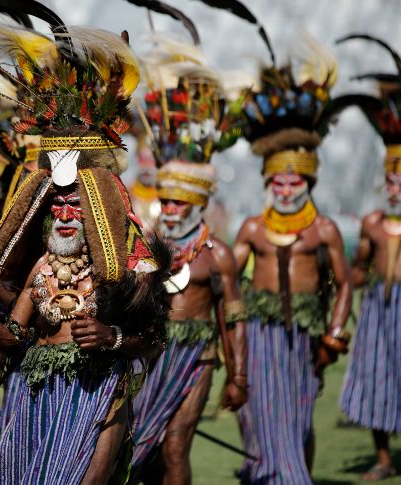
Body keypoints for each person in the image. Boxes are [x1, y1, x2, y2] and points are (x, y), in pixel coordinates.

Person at [0, 23, 171, 483]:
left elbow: (154, 339)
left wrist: (111, 339)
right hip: (34, 395)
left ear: (98, 203)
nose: (67, 214)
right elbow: (15, 338)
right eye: (58, 205)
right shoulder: (42, 269)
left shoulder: (128, 266)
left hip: (98, 394)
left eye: (77, 204)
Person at [230, 33, 353, 484]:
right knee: (257, 409)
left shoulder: (323, 230)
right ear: (268, 183)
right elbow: (229, 278)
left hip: (306, 333)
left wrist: (335, 334)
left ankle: (298, 473)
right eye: (277, 184)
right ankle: (267, 472)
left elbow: (345, 285)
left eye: (292, 183)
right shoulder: (252, 228)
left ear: (308, 184)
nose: (284, 190)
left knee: (300, 415)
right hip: (260, 332)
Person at [128, 35, 248, 483]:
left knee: (176, 445)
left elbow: (232, 319)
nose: (170, 209)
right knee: (137, 443)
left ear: (197, 204)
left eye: (179, 203)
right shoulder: (144, 245)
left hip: (196, 356)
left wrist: (239, 378)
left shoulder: (218, 256)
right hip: (150, 350)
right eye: (165, 200)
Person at [335, 34, 401, 480]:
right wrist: (341, 280)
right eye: (392, 183)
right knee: (375, 381)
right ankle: (382, 460)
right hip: (378, 305)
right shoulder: (373, 223)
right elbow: (359, 267)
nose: (397, 190)